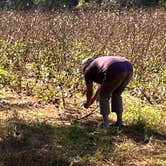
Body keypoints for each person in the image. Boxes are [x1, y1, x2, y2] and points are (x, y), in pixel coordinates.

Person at [82, 56, 133, 128]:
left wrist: (87, 102)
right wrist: (90, 103)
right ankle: (120, 121)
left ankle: (106, 123)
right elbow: (101, 88)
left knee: (104, 96)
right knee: (117, 94)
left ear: (85, 65)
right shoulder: (98, 66)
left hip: (114, 68)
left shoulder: (88, 70)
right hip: (129, 66)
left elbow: (90, 90)